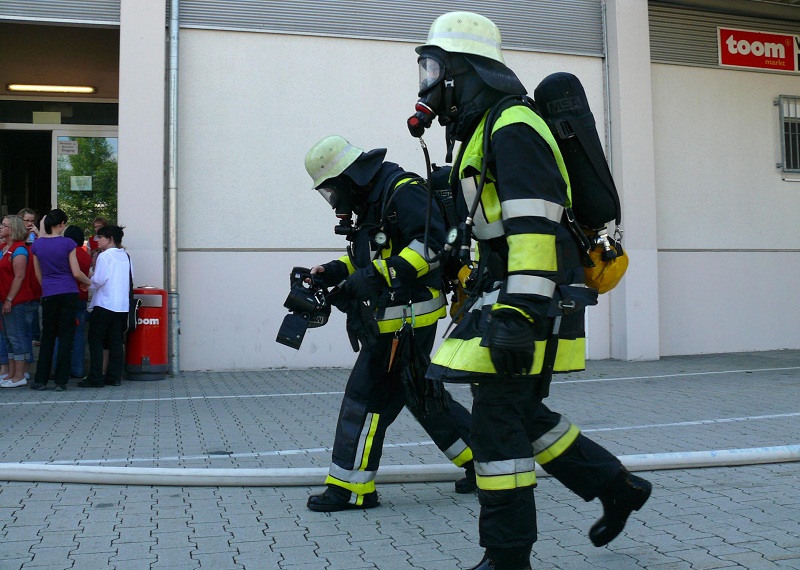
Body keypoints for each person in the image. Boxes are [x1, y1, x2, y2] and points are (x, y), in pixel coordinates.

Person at [408, 12, 652, 569]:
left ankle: (508, 556)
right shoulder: (487, 127)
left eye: (431, 67)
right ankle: (616, 487)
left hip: (526, 298)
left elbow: (534, 222)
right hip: (513, 292)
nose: (424, 81)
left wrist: (519, 311)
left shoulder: (512, 124)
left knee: (496, 425)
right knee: (517, 413)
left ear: (462, 71)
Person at [301, 135, 476, 512]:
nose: (332, 200)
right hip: (395, 320)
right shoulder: (372, 201)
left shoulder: (402, 191)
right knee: (422, 396)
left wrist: (379, 276)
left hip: (408, 320)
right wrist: (333, 271)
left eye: (331, 190)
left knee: (365, 398)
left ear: (347, 177)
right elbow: (372, 257)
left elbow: (431, 245)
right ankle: (483, 460)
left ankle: (350, 488)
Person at [30, 209, 92, 391]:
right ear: (62, 224)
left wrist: (47, 287)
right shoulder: (68, 243)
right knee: (66, 337)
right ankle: (61, 381)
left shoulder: (38, 245)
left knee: (48, 336)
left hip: (49, 293)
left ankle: (40, 380)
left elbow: (37, 273)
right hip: (68, 292)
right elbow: (76, 272)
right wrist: (88, 282)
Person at [79, 225, 131, 388]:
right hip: (121, 305)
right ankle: (114, 376)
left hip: (104, 303)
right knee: (115, 340)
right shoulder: (125, 256)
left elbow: (99, 280)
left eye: (100, 237)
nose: (97, 240)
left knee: (95, 339)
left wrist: (88, 282)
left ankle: (95, 376)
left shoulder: (104, 256)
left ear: (110, 239)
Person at [0, 215, 39, 388]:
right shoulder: (3, 247)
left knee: (17, 337)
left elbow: (19, 276)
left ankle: (19, 375)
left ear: (13, 229)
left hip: (16, 301)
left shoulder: (19, 250)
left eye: (4, 225)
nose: (1, 227)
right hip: (4, 299)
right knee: (9, 337)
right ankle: (11, 372)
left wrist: (9, 299)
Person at [62, 225, 92, 379]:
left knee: (61, 334)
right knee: (79, 336)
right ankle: (78, 369)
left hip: (67, 296)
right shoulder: (86, 255)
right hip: (81, 297)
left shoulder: (67, 252)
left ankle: (60, 369)